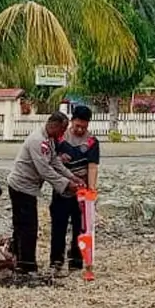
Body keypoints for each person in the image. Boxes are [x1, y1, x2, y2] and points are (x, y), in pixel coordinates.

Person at [7, 111, 84, 274]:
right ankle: (26, 265)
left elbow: (55, 161)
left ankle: (19, 260)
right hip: (21, 186)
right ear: (54, 125)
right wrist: (66, 184)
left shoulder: (49, 140)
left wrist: (71, 176)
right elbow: (44, 170)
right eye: (62, 130)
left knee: (23, 225)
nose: (63, 134)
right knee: (28, 227)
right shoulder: (37, 140)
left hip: (29, 187)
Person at [49, 105, 100, 275]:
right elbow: (51, 160)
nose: (80, 130)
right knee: (58, 225)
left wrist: (91, 189)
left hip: (81, 191)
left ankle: (77, 261)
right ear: (71, 121)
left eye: (84, 127)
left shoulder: (92, 142)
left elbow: (92, 167)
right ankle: (56, 260)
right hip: (62, 188)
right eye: (77, 126)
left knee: (81, 227)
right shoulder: (60, 137)